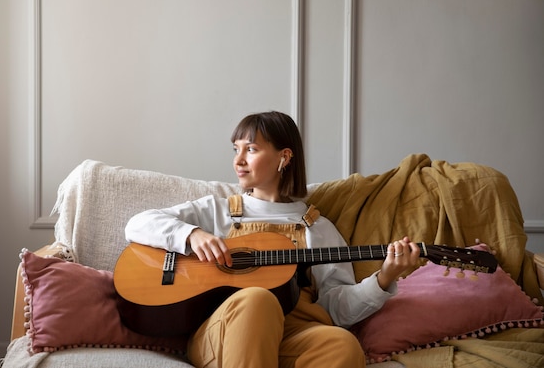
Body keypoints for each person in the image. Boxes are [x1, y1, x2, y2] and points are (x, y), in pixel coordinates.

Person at [125, 111, 420, 368]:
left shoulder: (317, 228)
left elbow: (335, 309)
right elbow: (138, 224)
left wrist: (384, 278)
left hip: (295, 335)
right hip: (225, 331)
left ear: (284, 157)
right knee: (258, 298)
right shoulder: (219, 210)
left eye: (250, 149)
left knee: (342, 345)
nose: (238, 161)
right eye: (235, 149)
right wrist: (191, 234)